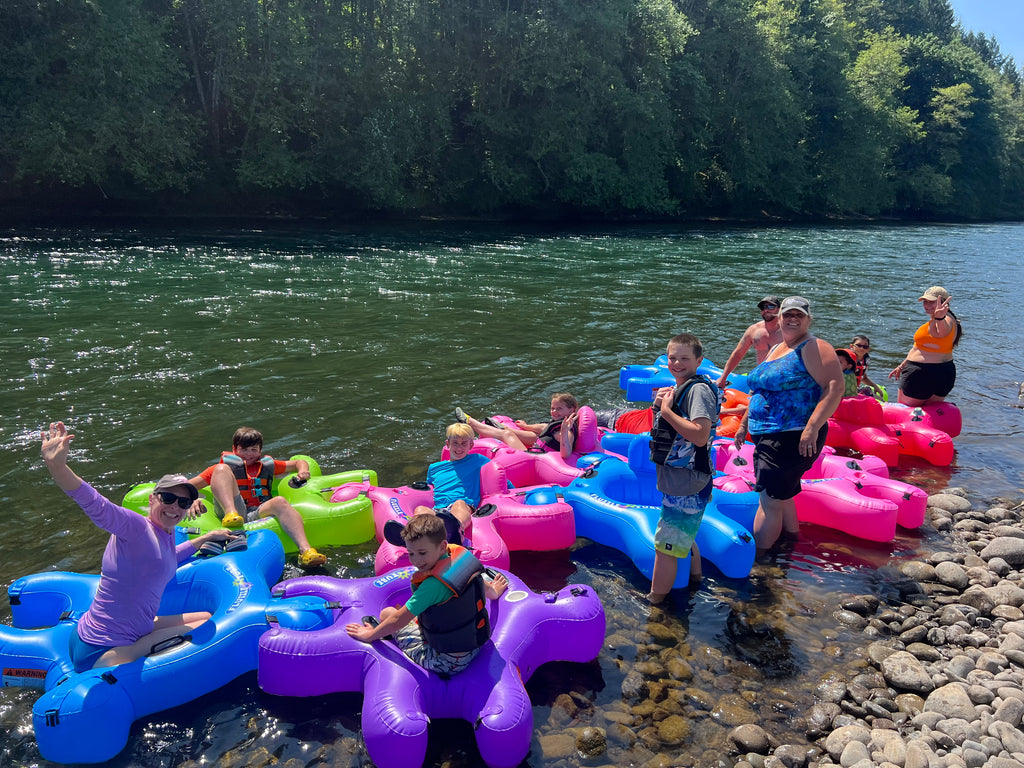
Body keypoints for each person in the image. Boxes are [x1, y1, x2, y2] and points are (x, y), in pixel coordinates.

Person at [40, 421, 237, 671]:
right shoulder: (135, 527)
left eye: (183, 502)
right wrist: (58, 467)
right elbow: (97, 505)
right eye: (168, 498)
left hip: (121, 628)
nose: (175, 507)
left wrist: (203, 539)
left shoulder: (164, 533)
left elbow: (166, 558)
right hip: (105, 648)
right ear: (152, 498)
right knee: (202, 630)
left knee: (205, 618)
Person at [732, 297, 844, 552]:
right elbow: (761, 390)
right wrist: (743, 424)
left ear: (808, 319)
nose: (793, 319)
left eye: (799, 315)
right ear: (779, 318)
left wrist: (812, 427)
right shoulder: (778, 347)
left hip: (793, 435)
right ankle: (791, 541)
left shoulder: (814, 346)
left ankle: (760, 560)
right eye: (788, 315)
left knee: (769, 501)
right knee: (784, 494)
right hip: (769, 434)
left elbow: (834, 387)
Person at [346, 514, 509, 675]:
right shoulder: (460, 556)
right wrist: (495, 591)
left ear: (442, 546)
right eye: (411, 553)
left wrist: (370, 635)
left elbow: (397, 621)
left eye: (422, 553)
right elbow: (481, 585)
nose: (416, 560)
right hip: (475, 644)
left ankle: (389, 637)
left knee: (387, 613)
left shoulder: (432, 586)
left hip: (447, 661)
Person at [647, 333, 720, 603]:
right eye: (672, 358)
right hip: (682, 479)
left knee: (665, 548)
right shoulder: (681, 387)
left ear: (699, 360)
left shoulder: (698, 390)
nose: (677, 363)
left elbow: (700, 435)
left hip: (687, 481)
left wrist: (667, 411)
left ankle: (656, 602)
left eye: (684, 358)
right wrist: (660, 406)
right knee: (684, 534)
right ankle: (695, 581)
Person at [189, 427, 326, 568]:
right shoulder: (219, 468)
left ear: (260, 451)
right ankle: (231, 514)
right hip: (231, 510)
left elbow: (299, 463)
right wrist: (193, 499)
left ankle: (306, 552)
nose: (248, 454)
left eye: (254, 450)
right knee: (221, 468)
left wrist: (303, 471)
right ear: (234, 449)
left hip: (257, 510)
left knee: (280, 501)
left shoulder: (266, 466)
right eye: (244, 449)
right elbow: (187, 487)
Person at [383, 422, 491, 547]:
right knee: (420, 510)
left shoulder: (479, 460)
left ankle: (456, 531)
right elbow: (430, 490)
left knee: (459, 504)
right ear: (448, 444)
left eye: (464, 443)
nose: (459, 448)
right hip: (439, 510)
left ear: (471, 445)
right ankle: (409, 536)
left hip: (464, 504)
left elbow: (503, 480)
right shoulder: (434, 468)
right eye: (455, 443)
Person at [889, 286, 962, 406]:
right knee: (927, 417)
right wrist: (902, 366)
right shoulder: (946, 319)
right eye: (925, 302)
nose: (927, 305)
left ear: (943, 303)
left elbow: (942, 333)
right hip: (943, 373)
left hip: (922, 374)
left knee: (906, 414)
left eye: (931, 302)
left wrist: (940, 318)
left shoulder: (946, 320)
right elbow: (920, 347)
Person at [455, 393, 579, 459]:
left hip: (534, 458)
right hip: (539, 449)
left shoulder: (567, 431)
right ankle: (502, 427)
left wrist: (564, 431)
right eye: (553, 408)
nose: (554, 412)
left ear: (571, 410)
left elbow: (566, 454)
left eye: (559, 409)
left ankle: (470, 422)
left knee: (507, 434)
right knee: (534, 434)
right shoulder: (559, 422)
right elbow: (544, 428)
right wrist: (526, 426)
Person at [715, 296, 784, 390]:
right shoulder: (753, 330)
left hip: (782, 380)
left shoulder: (787, 331)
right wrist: (723, 378)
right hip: (760, 379)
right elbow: (738, 354)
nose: (766, 310)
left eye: (770, 307)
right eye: (763, 307)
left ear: (779, 310)